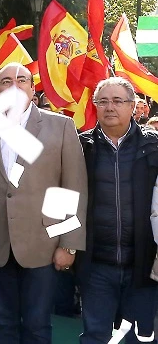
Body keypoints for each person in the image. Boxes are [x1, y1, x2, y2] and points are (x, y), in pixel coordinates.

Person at [0, 63, 87, 344]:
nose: (15, 86)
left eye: (22, 80)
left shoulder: (61, 126)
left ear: (33, 89)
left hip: (43, 244)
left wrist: (68, 244)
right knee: (3, 325)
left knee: (37, 325)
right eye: (6, 81)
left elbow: (73, 188)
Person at [76, 77, 158, 343]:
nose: (110, 107)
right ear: (95, 106)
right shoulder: (80, 147)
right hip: (97, 264)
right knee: (95, 336)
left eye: (118, 101)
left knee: (140, 338)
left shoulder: (154, 146)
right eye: (103, 101)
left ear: (133, 106)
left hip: (143, 263)